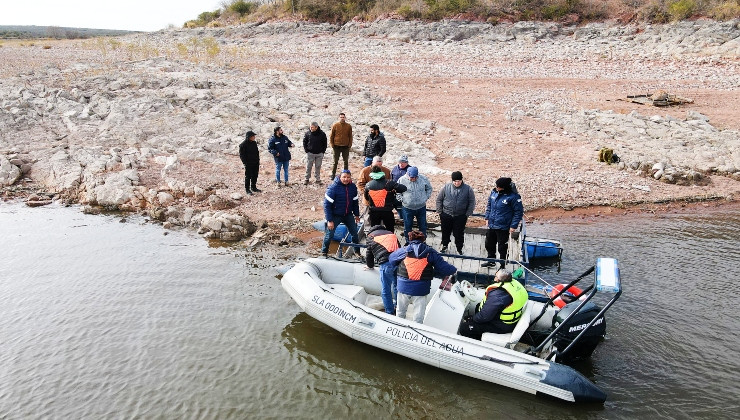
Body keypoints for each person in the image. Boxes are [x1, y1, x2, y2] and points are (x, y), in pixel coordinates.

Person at [389, 231, 457, 323]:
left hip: (403, 287)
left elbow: (391, 259)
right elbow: (447, 270)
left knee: (400, 313)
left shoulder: (404, 251)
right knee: (418, 317)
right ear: (423, 240)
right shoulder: (430, 253)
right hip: (421, 290)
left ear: (410, 239)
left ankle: (398, 328)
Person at [459, 269, 528, 340]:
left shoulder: (497, 295)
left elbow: (484, 317)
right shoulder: (514, 284)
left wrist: (472, 319)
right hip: (509, 321)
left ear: (499, 280)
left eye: (496, 276)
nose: (494, 278)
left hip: (501, 326)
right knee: (478, 306)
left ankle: (478, 340)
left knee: (464, 328)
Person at [483, 177, 524, 268]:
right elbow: (489, 205)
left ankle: (502, 265)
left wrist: (513, 225)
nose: (497, 188)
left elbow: (518, 212)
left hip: (504, 226)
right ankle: (491, 261)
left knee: (502, 247)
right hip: (492, 224)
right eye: (496, 186)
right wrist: (487, 218)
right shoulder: (494, 193)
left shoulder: (514, 197)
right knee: (489, 244)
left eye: (499, 187)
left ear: (504, 187)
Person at [321, 169, 361, 256]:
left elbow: (355, 203)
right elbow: (327, 206)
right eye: (344, 177)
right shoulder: (333, 188)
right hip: (335, 215)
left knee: (355, 234)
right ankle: (324, 252)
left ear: (350, 178)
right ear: (340, 177)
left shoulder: (353, 187)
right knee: (329, 235)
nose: (346, 179)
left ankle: (357, 252)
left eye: (348, 177)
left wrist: (357, 215)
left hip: (348, 214)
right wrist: (329, 220)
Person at [435, 171, 475, 255]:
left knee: (459, 233)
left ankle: (459, 248)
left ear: (462, 180)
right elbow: (439, 199)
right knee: (445, 232)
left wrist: (467, 213)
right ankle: (445, 245)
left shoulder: (468, 189)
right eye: (455, 181)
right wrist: (440, 212)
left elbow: (472, 202)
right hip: (446, 214)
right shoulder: (446, 187)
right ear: (452, 180)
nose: (457, 183)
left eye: (459, 181)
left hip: (460, 216)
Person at [365, 225, 401, 314]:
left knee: (386, 288)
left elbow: (369, 254)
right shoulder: (391, 234)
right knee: (398, 287)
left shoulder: (370, 237)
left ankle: (389, 311)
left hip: (386, 263)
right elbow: (400, 248)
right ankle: (399, 309)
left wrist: (370, 266)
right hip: (399, 262)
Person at [364, 165, 406, 231]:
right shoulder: (389, 183)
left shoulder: (368, 185)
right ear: (381, 173)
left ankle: (376, 241)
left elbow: (366, 198)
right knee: (390, 229)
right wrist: (394, 190)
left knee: (375, 230)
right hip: (387, 211)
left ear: (372, 174)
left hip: (374, 212)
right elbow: (403, 188)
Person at [398, 166, 433, 244]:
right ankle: (408, 242)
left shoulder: (423, 179)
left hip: (421, 207)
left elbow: (429, 188)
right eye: (411, 177)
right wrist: (403, 200)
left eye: (415, 177)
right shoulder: (401, 180)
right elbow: (397, 192)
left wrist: (425, 197)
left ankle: (422, 242)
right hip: (407, 208)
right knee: (407, 226)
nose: (413, 179)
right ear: (407, 174)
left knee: (423, 226)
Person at [329, 112, 353, 181]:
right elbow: (331, 135)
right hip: (336, 146)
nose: (342, 118)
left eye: (343, 117)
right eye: (341, 117)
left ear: (345, 118)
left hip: (345, 146)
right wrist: (332, 144)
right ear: (339, 118)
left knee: (346, 161)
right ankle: (333, 174)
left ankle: (346, 175)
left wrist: (349, 144)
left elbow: (350, 136)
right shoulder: (335, 125)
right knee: (335, 161)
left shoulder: (348, 126)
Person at [238, 130, 261, 195]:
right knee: (248, 176)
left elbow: (257, 152)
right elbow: (242, 155)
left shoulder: (254, 143)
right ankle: (247, 189)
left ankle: (253, 187)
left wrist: (258, 160)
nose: (254, 137)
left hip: (255, 162)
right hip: (248, 163)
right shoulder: (243, 145)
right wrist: (245, 163)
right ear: (249, 137)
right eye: (253, 136)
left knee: (255, 175)